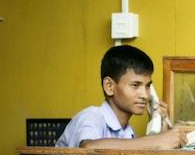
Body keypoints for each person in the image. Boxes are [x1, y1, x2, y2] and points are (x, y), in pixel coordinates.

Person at [56, 46, 187, 149]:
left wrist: (160, 129)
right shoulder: (91, 116)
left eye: (147, 86)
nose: (145, 95)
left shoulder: (128, 133)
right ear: (109, 86)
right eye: (135, 85)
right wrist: (156, 141)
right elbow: (88, 147)